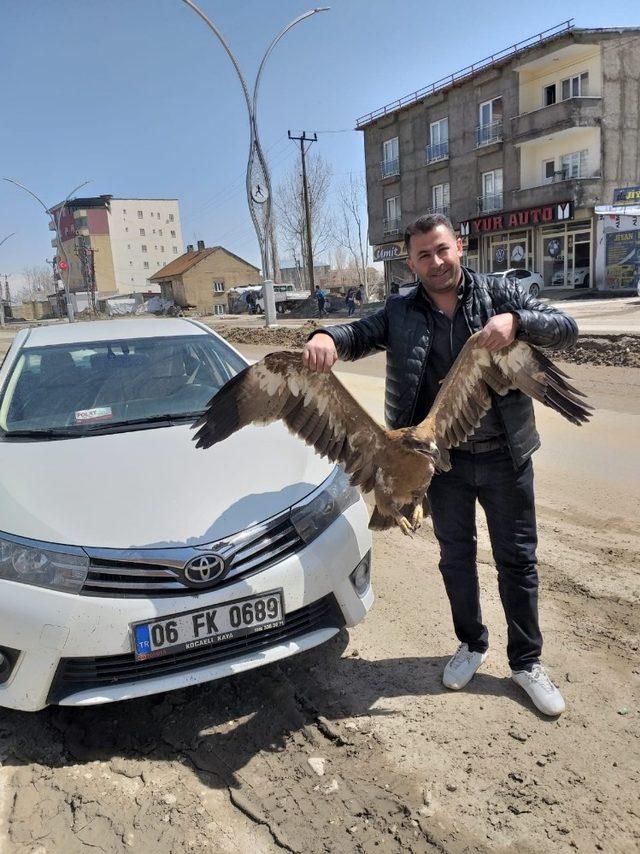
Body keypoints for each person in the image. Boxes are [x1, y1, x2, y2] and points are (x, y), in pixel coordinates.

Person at [302, 213, 578, 717]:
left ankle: (526, 663)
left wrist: (519, 322)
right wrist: (327, 336)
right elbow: (359, 333)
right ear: (410, 263)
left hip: (506, 456)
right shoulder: (399, 311)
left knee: (518, 561)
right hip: (439, 465)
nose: (435, 261)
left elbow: (566, 327)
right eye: (423, 255)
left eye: (442, 249)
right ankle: (471, 644)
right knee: (456, 559)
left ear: (460, 247)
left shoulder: (500, 295)